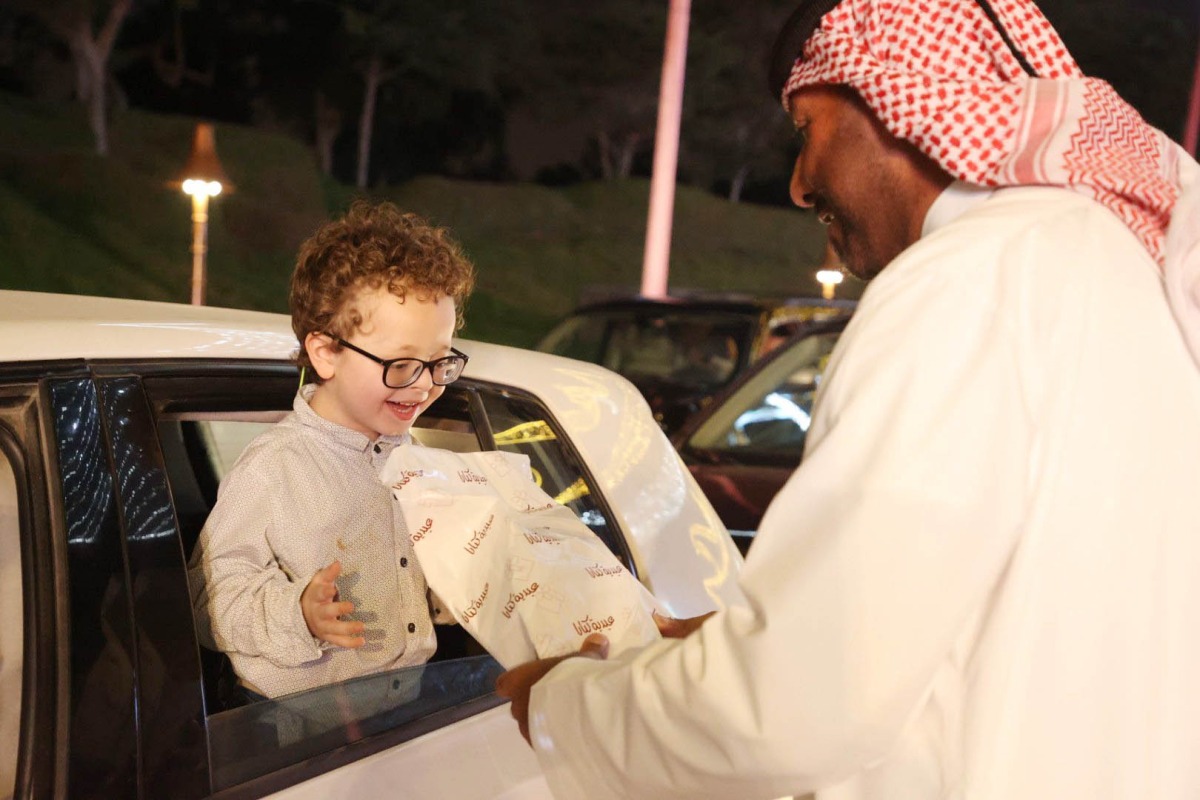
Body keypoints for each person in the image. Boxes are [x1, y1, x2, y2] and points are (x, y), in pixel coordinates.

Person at [495, 1, 1200, 798]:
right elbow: (998, 627)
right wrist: (735, 651)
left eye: (806, 131)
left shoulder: (969, 282)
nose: (799, 184)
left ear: (897, 96)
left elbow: (788, 713)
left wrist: (561, 708)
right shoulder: (1103, 272)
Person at [188, 200, 475, 702]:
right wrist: (297, 611)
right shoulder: (275, 467)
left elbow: (420, 586)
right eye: (403, 363)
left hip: (405, 707)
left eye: (439, 361)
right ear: (325, 353)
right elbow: (206, 600)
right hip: (296, 730)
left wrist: (454, 589)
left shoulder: (415, 463)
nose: (425, 384)